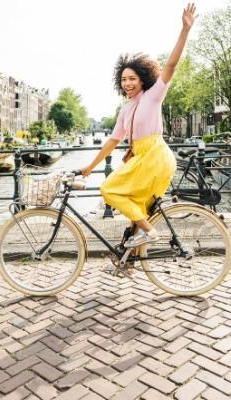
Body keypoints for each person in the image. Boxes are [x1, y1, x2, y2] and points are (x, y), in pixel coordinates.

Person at [81, 3, 196, 248]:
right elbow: (112, 141)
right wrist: (90, 166)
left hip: (155, 157)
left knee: (109, 190)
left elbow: (171, 66)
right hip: (141, 159)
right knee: (134, 208)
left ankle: (149, 232)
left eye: (132, 78)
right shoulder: (125, 109)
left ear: (142, 79)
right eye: (123, 79)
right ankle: (131, 261)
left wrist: (185, 30)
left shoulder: (153, 96)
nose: (127, 83)